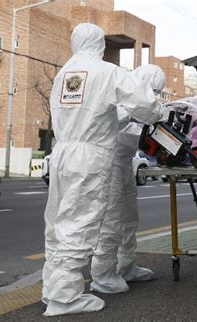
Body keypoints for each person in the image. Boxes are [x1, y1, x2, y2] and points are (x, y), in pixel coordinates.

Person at [42, 23, 163, 316]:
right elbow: (145, 104)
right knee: (80, 223)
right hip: (89, 155)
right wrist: (158, 111)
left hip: (61, 153)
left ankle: (53, 289)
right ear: (99, 44)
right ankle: (65, 299)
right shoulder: (106, 71)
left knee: (58, 224)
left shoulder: (63, 75)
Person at [90, 65, 166, 294]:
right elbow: (113, 124)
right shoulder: (118, 96)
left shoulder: (140, 103)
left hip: (125, 163)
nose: (154, 96)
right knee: (112, 219)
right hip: (108, 162)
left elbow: (139, 131)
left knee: (129, 217)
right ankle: (103, 275)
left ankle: (126, 266)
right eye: (153, 90)